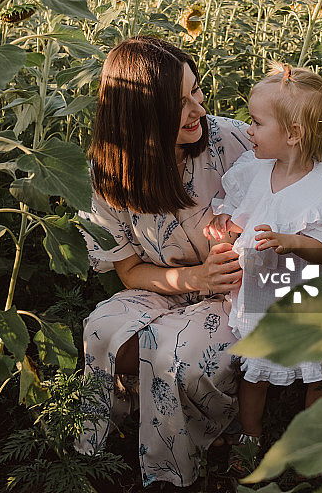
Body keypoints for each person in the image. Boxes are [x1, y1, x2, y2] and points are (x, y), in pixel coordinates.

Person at [76, 36, 251, 488]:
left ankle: (175, 469)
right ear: (140, 114)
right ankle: (102, 444)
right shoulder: (107, 171)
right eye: (179, 103)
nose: (197, 110)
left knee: (177, 355)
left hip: (232, 291)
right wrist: (193, 276)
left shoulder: (232, 143)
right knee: (102, 329)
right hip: (162, 285)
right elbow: (129, 270)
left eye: (196, 91)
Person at [204, 63, 322, 470]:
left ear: (292, 134)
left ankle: (316, 437)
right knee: (254, 373)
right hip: (258, 293)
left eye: (256, 123)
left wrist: (291, 241)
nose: (248, 131)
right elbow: (240, 217)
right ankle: (250, 436)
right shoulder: (253, 172)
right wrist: (224, 231)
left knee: (317, 371)